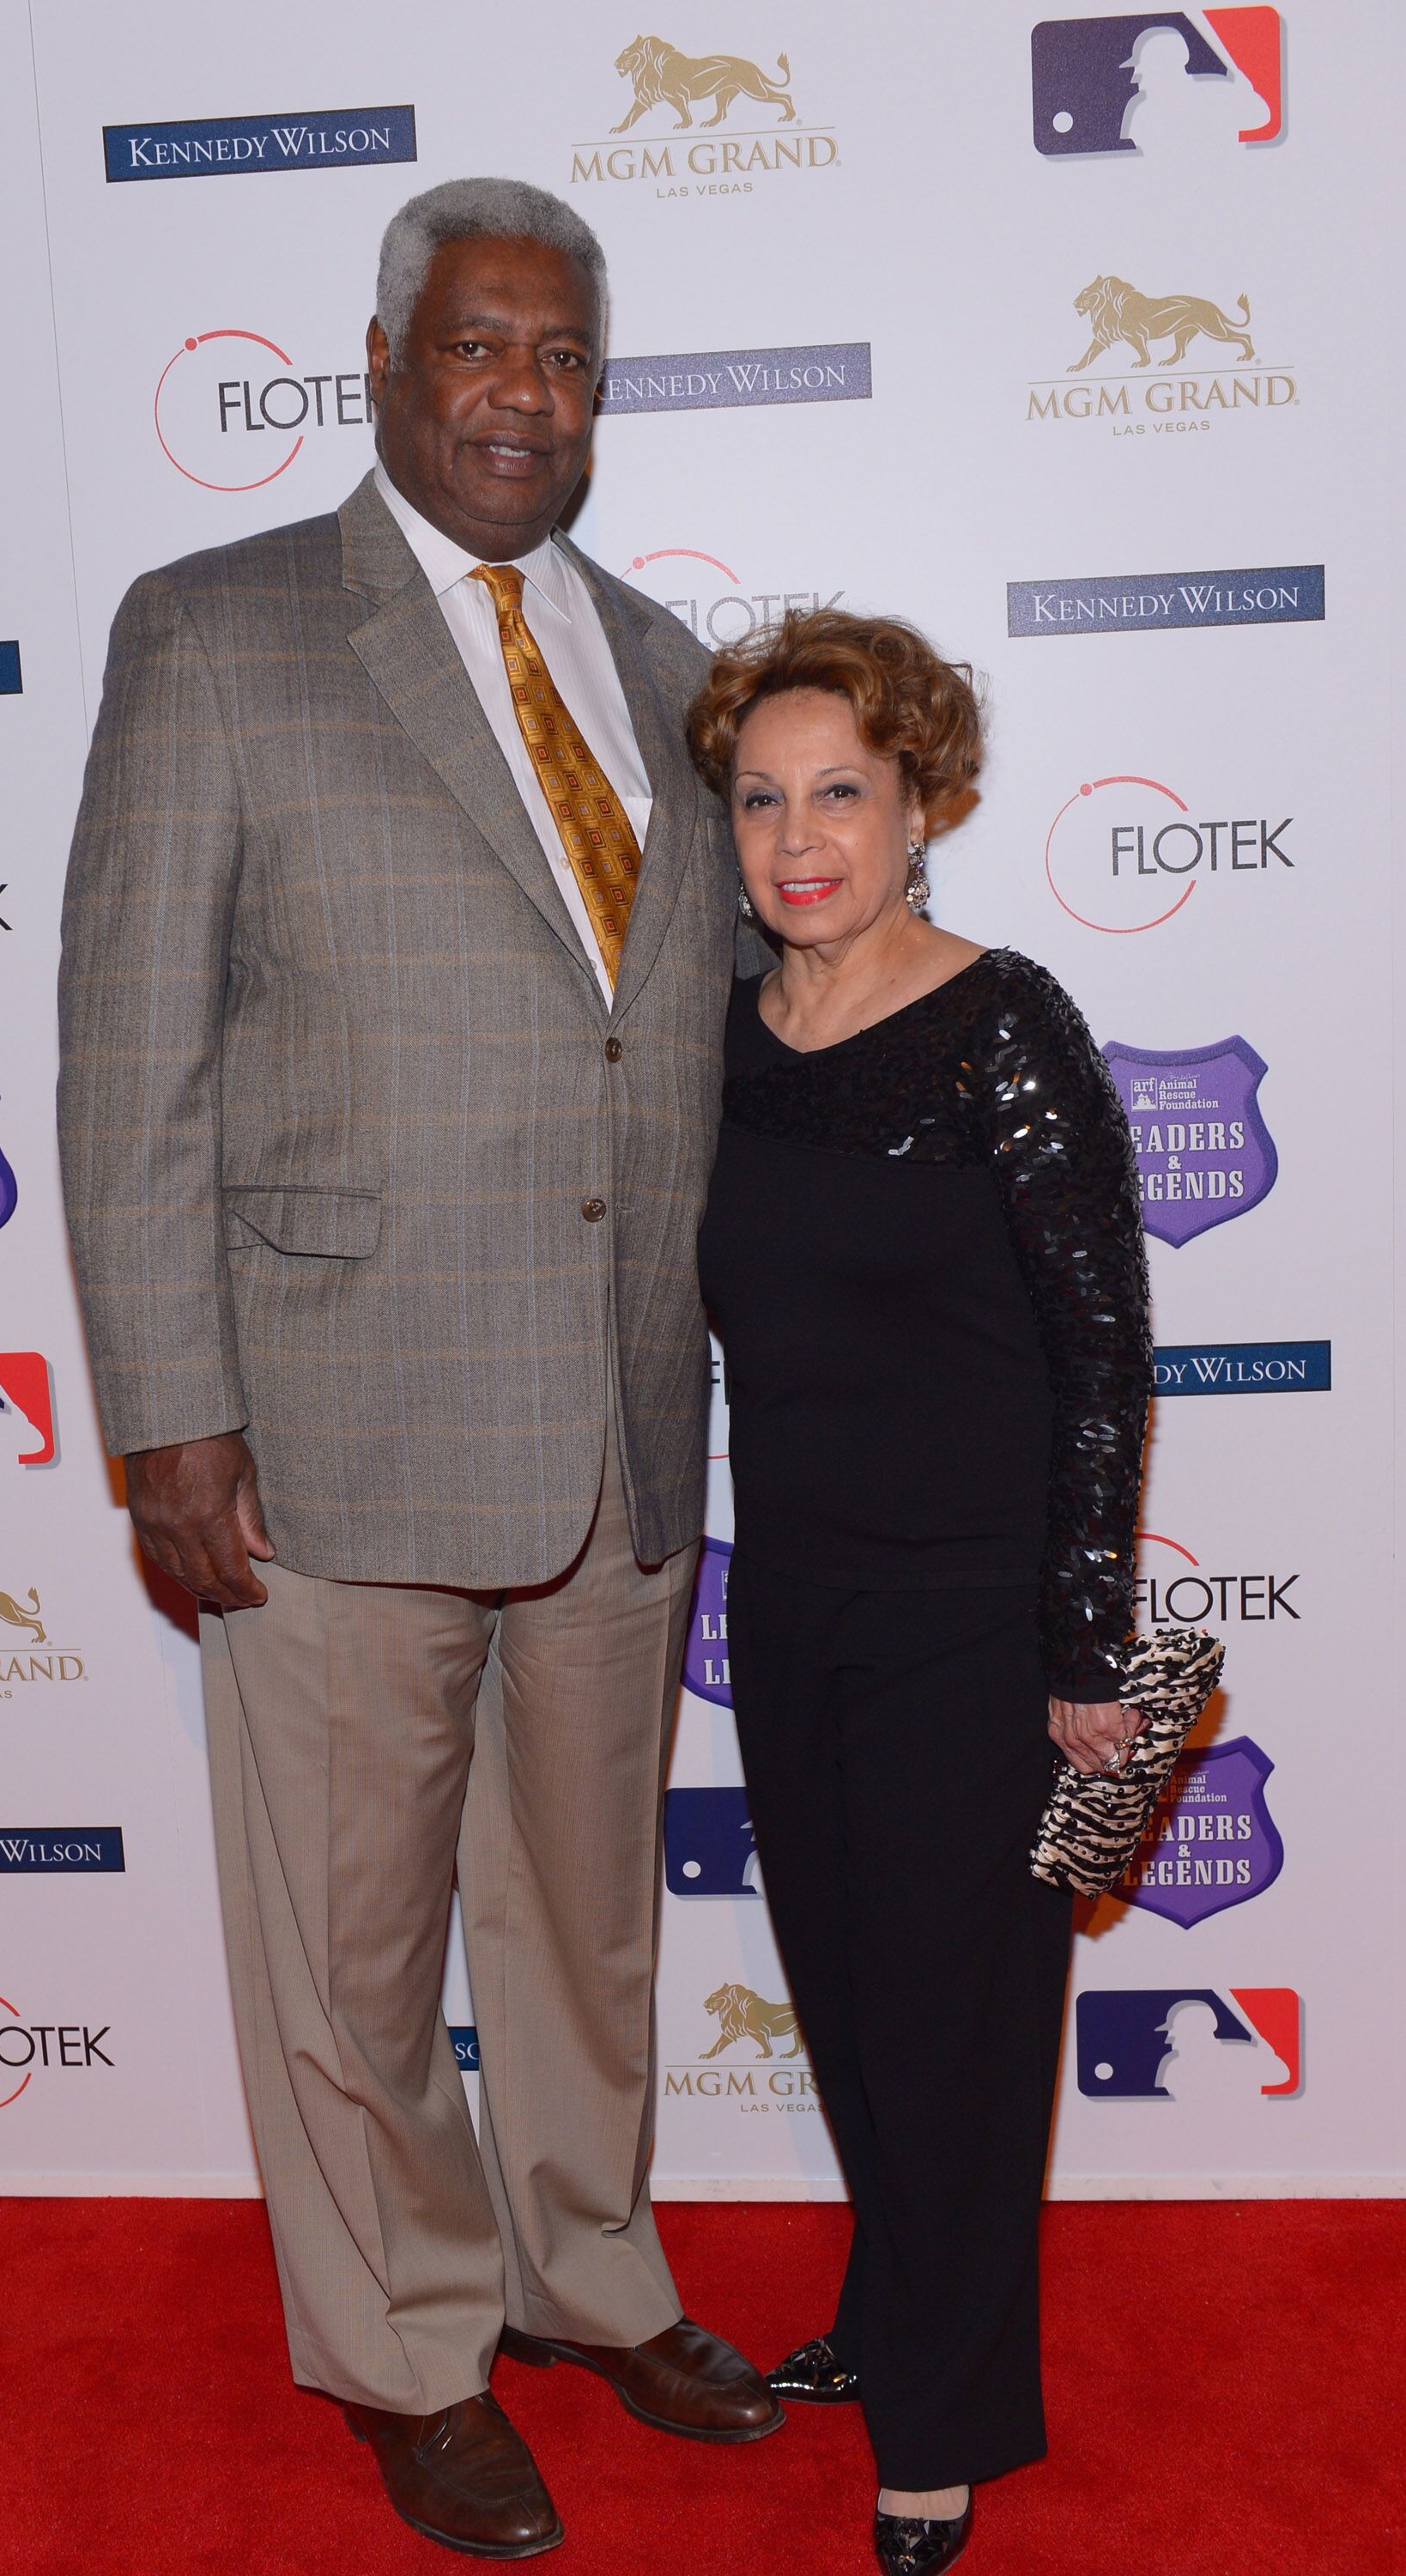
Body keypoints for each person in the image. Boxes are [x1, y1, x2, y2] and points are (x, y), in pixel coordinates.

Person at [58, 176, 780, 2562]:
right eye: (475, 348)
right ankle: (400, 2345)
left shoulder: (663, 658)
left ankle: (587, 2278)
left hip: (605, 1418)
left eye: (559, 356)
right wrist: (170, 1409)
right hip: (330, 1419)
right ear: (380, 366)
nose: (518, 395)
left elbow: (665, 1047)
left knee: (578, 1918)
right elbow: (131, 1049)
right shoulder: (220, 631)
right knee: (350, 1945)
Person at [689, 611, 1152, 2576]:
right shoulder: (726, 1032)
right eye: (762, 800)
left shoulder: (1003, 1024)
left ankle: (944, 2431)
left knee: (958, 2031)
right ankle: (894, 2322)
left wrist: (1079, 1648)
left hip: (975, 1623)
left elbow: (1101, 1355)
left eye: (841, 797)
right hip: (789, 1605)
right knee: (858, 2014)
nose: (801, 839)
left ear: (919, 808)